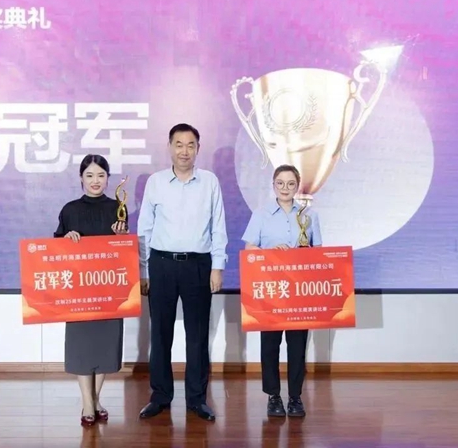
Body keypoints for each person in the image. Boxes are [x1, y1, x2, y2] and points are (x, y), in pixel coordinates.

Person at [137, 123, 228, 422]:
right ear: (169, 147)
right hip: (161, 264)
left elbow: (218, 227)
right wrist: (144, 270)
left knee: (197, 335)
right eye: (179, 144)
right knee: (160, 333)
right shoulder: (156, 182)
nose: (184, 151)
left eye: (190, 145)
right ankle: (160, 396)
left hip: (198, 265)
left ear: (198, 149)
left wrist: (217, 266)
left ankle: (197, 399)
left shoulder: (210, 182)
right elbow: (144, 228)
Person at [53, 154, 129, 427]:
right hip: (79, 293)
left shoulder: (118, 208)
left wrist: (121, 237)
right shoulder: (70, 210)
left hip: (109, 290)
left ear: (108, 179)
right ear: (81, 179)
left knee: (105, 347)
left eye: (100, 175)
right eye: (89, 175)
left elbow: (124, 250)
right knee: (82, 348)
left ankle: (95, 400)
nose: (95, 181)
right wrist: (67, 239)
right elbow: (56, 250)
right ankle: (87, 403)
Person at [241, 164, 322, 418]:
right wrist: (271, 252)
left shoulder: (309, 216)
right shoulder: (261, 214)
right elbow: (249, 250)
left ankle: (295, 396)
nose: (285, 188)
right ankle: (273, 396)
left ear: (297, 187)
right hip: (271, 290)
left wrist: (301, 254)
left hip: (299, 291)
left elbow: (318, 252)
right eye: (280, 183)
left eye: (290, 184)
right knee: (270, 344)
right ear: (273, 185)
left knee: (297, 345)